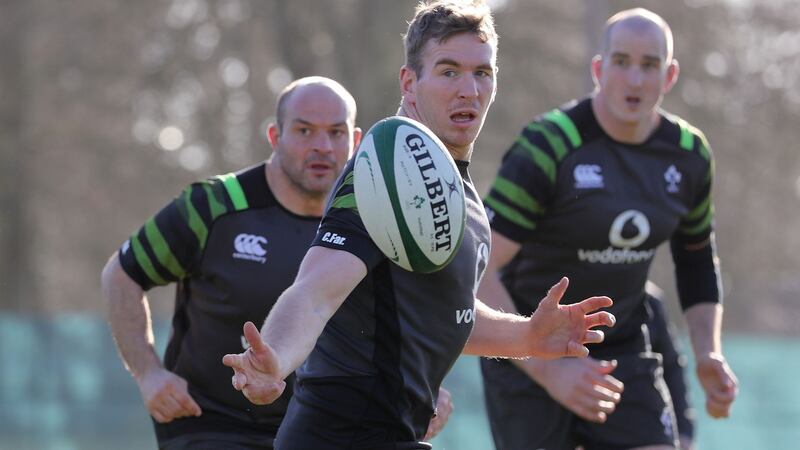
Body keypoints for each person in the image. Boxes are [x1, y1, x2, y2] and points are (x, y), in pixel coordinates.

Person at [221, 1, 615, 449]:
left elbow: (448, 312)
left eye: (482, 73)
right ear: (410, 83)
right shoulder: (385, 173)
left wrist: (527, 335)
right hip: (340, 437)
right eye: (448, 72)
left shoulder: (460, 196)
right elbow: (315, 291)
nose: (468, 89)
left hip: (393, 434)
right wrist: (277, 357)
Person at [102, 76, 453, 449]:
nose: (321, 146)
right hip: (213, 427)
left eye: (336, 133)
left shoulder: (378, 221)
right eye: (304, 131)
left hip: (324, 432)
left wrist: (427, 387)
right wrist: (149, 374)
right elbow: (122, 275)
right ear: (275, 136)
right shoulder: (215, 206)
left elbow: (405, 324)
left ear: (354, 142)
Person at [478, 7, 738, 449]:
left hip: (621, 350)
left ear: (669, 75)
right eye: (621, 62)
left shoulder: (690, 154)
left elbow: (696, 262)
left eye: (649, 65)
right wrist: (547, 366)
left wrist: (708, 352)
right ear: (599, 69)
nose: (635, 80)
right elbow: (477, 267)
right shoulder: (549, 144)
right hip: (527, 350)